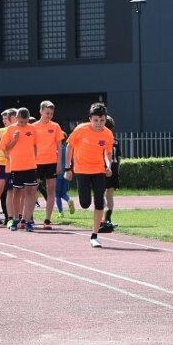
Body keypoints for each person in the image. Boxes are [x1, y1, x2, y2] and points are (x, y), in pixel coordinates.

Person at [64, 102, 114, 248]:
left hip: (98, 170)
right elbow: (69, 146)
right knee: (85, 204)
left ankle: (94, 236)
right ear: (90, 118)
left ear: (105, 119)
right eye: (96, 120)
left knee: (99, 202)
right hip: (82, 170)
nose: (99, 124)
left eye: (102, 120)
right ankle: (88, 197)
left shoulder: (108, 134)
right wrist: (68, 168)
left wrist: (108, 165)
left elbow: (108, 153)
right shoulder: (81, 130)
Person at [0, 107, 39, 232]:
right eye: (20, 122)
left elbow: (35, 146)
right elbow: (4, 148)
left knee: (30, 193)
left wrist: (34, 160)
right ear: (16, 118)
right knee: (16, 194)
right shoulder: (11, 129)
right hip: (16, 166)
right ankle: (16, 218)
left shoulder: (32, 129)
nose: (23, 124)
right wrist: (15, 140)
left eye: (25, 121)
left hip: (30, 166)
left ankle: (27, 220)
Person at [34, 101, 65, 230]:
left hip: (51, 162)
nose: (49, 116)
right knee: (32, 190)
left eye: (51, 113)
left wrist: (59, 164)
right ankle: (28, 216)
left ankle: (47, 219)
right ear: (41, 111)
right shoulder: (33, 127)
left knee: (51, 190)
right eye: (47, 113)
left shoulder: (56, 126)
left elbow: (59, 146)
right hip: (36, 163)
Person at [100, 115, 121, 233]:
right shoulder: (115, 140)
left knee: (100, 194)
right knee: (110, 194)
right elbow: (119, 157)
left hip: (103, 168)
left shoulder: (101, 139)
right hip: (113, 167)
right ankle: (108, 219)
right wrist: (117, 171)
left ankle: (102, 219)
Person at [54, 136, 75, 217]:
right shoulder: (68, 149)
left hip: (58, 174)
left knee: (57, 195)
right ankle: (69, 199)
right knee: (63, 193)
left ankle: (61, 212)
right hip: (66, 173)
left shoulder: (56, 151)